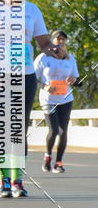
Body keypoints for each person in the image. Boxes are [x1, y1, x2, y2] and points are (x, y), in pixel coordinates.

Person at [0, 0, 55, 198]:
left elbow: (42, 41)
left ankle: (17, 180)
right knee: (3, 127)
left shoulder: (32, 11)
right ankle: (3, 179)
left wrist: (54, 49)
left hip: (25, 73)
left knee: (19, 128)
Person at [35, 30, 79, 173]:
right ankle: (48, 156)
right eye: (57, 39)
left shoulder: (70, 59)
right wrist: (45, 86)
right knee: (54, 130)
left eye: (63, 39)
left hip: (66, 99)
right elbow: (32, 79)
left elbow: (78, 80)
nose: (60, 41)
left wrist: (74, 81)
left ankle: (58, 162)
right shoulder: (43, 58)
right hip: (48, 99)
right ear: (52, 41)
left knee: (63, 132)